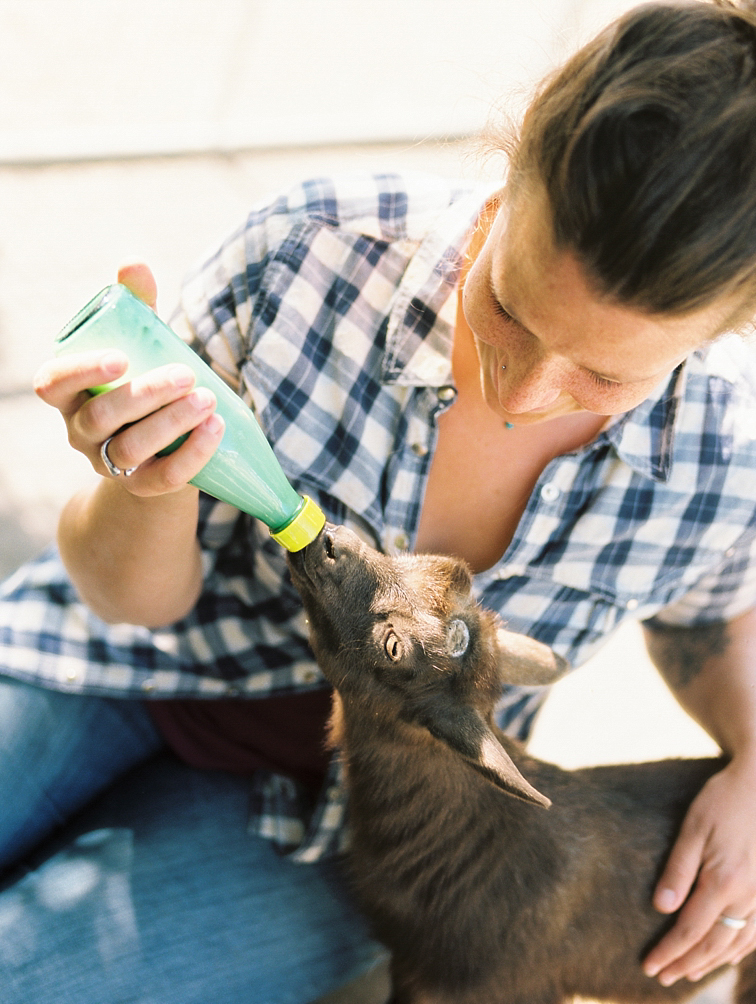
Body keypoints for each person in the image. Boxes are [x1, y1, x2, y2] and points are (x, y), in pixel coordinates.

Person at [3, 0, 756, 999]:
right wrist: (144, 481)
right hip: (123, 661)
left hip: (361, 832)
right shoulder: (305, 259)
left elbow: (713, 618)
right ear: (506, 175)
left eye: (602, 379)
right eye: (507, 312)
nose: (520, 391)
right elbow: (129, 601)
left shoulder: (716, 455)